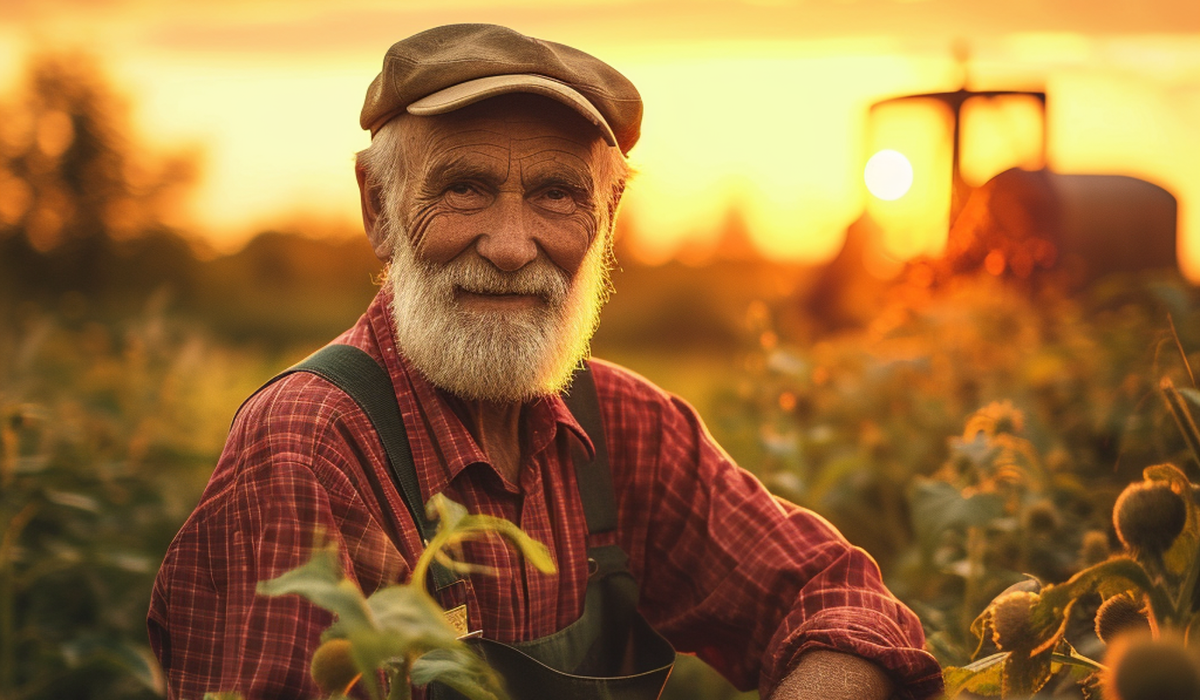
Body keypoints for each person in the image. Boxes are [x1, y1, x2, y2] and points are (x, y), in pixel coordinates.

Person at [148, 23, 943, 700]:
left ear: (609, 215)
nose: (509, 246)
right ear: (378, 206)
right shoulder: (309, 446)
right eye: (463, 189)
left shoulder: (625, 428)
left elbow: (833, 596)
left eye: (557, 195)